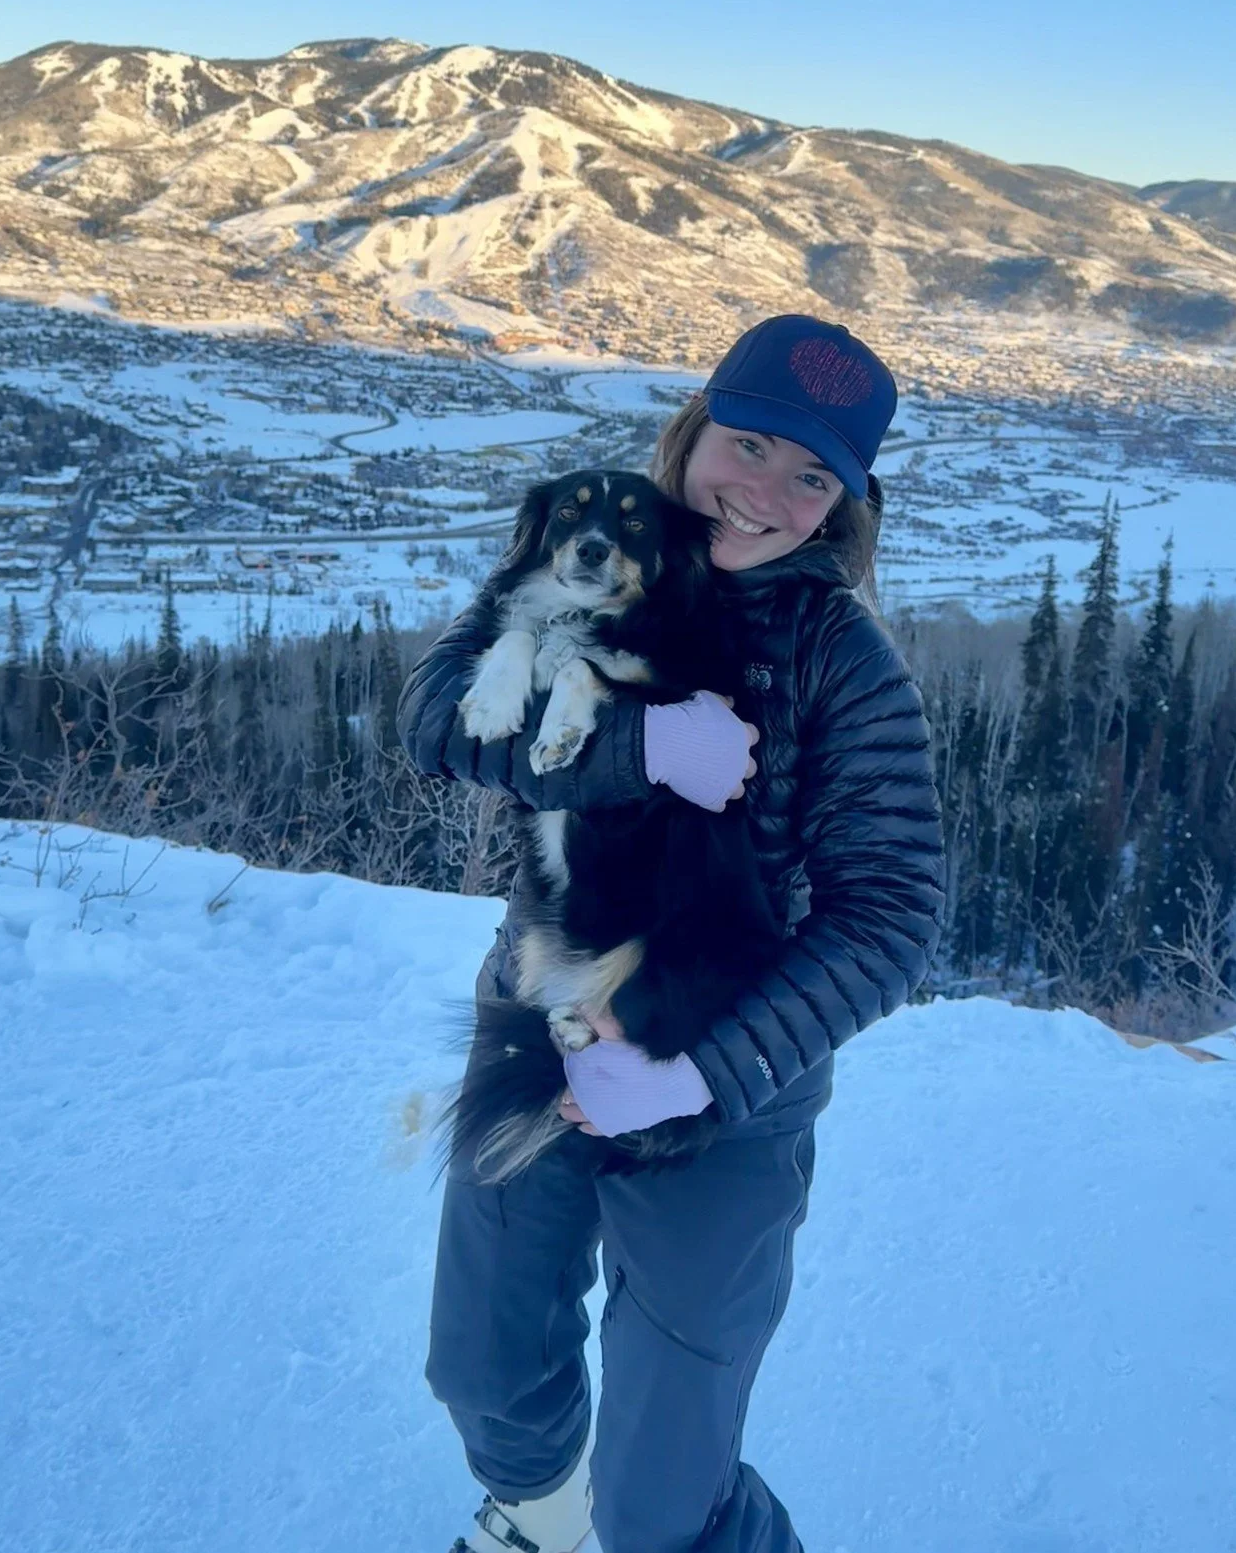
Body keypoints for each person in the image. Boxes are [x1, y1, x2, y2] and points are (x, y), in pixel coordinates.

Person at [397, 314, 946, 1553]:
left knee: (664, 1488)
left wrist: (696, 1077)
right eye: (747, 444)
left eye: (814, 477)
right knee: (481, 1365)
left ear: (847, 505)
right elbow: (439, 718)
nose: (763, 494)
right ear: (692, 427)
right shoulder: (597, 547)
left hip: (727, 1061)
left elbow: (893, 911)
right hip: (541, 1011)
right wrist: (637, 750)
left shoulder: (839, 659)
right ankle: (539, 1518)